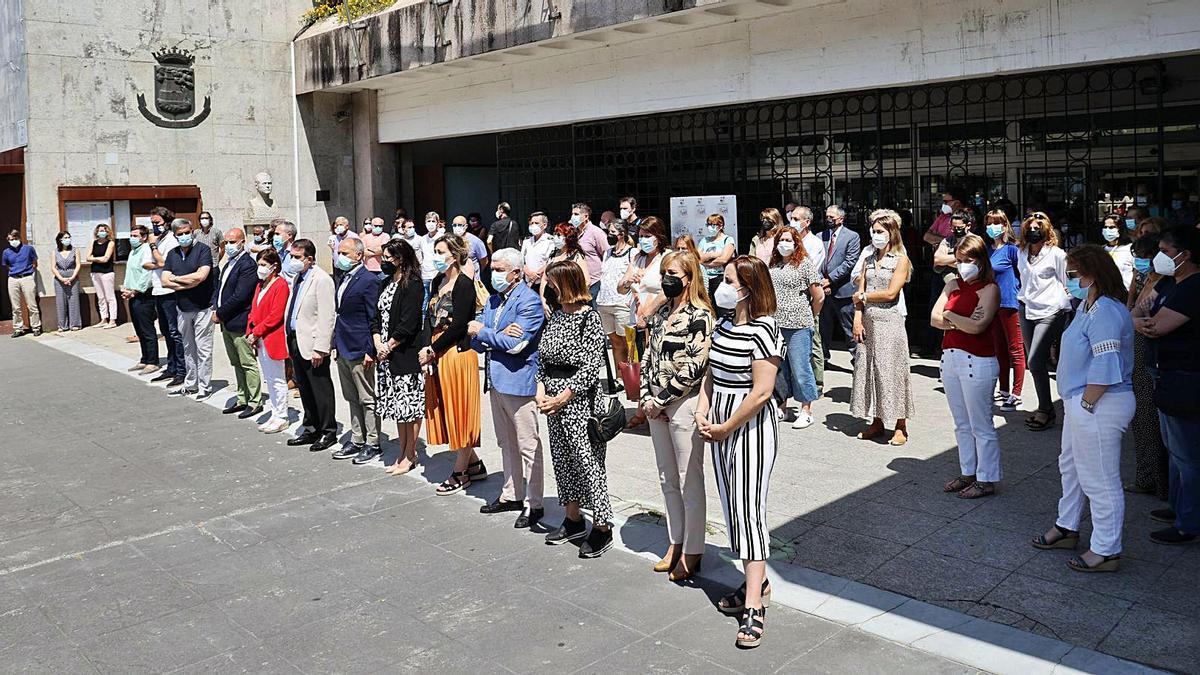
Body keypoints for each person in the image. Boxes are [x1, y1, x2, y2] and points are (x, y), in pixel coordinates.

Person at [696, 255, 782, 649]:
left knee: (749, 511)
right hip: (719, 425)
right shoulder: (723, 326)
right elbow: (711, 376)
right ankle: (756, 580)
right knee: (733, 508)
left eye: (728, 280)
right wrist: (702, 410)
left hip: (749, 429)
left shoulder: (765, 331)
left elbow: (762, 392)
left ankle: (753, 605)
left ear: (748, 288)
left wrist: (726, 425)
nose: (721, 285)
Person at [1031, 245, 1135, 572]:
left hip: (1099, 403)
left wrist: (1086, 403)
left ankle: (1106, 549)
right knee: (1072, 468)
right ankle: (1067, 526)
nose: (1068, 279)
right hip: (1084, 402)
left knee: (1099, 478)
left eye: (1073, 274)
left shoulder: (1105, 310)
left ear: (1092, 275)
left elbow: (1106, 362)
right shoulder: (1086, 306)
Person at [641, 251, 714, 580]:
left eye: (672, 273)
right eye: (663, 272)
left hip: (683, 402)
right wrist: (646, 396)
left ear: (688, 278)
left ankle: (693, 549)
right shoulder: (662, 313)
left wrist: (663, 399)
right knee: (666, 478)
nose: (666, 278)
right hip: (655, 401)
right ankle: (675, 540)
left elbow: (697, 366)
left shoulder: (701, 315)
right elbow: (648, 356)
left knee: (688, 479)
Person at [469, 248, 547, 529]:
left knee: (528, 445)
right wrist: (491, 334)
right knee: (506, 442)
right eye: (494, 268)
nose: (495, 274)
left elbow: (517, 345)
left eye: (501, 270)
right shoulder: (492, 300)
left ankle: (534, 502)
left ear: (516, 273)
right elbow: (475, 340)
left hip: (519, 382)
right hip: (496, 381)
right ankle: (511, 494)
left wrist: (484, 332)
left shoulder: (529, 301)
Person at [537, 261, 611, 557]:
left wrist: (564, 396)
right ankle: (573, 517)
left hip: (579, 401)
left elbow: (593, 365)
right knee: (563, 459)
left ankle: (603, 527)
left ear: (566, 285)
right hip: (552, 400)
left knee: (588, 461)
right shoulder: (555, 316)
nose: (548, 289)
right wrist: (542, 391)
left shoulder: (588, 318)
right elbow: (542, 359)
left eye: (552, 284)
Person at [1134, 227, 1200, 545]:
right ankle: (1177, 508)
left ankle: (1190, 522)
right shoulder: (1171, 284)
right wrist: (1140, 321)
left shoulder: (1193, 287)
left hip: (1186, 377)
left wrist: (1142, 324)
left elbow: (1155, 326)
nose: (1159, 255)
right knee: (1175, 451)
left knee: (1187, 456)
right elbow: (1139, 312)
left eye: (1164, 248)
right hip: (1167, 374)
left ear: (1185, 255)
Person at [932, 234, 1002, 499]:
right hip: (950, 357)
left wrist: (949, 316)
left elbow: (978, 326)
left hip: (978, 360)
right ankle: (968, 472)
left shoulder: (989, 289)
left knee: (980, 423)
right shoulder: (952, 285)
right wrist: (956, 319)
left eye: (967, 260)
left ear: (980, 260)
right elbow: (934, 318)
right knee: (961, 423)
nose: (962, 266)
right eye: (959, 260)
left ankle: (986, 478)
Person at [420, 234, 485, 495]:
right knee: (446, 408)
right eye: (435, 250)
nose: (436, 256)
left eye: (441, 251)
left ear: (455, 256)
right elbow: (429, 316)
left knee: (461, 410)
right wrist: (427, 347)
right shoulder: (438, 280)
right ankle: (473, 464)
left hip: (456, 352)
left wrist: (432, 349)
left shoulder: (464, 284)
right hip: (437, 350)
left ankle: (461, 472)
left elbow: (458, 325)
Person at [850, 209, 914, 446]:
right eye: (873, 231)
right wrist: (857, 319)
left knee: (892, 371)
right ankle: (876, 421)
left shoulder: (901, 260)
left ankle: (900, 425)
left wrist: (864, 297)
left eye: (880, 231)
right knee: (870, 371)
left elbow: (890, 293)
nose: (875, 235)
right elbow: (858, 293)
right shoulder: (867, 260)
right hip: (868, 320)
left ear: (891, 234)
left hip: (890, 321)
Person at [373, 239, 428, 475]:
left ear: (401, 259)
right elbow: (375, 316)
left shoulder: (413, 284)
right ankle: (402, 451)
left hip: (404, 353)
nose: (384, 262)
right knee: (397, 406)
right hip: (385, 354)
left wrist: (390, 344)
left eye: (388, 258)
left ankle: (410, 453)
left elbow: (409, 322)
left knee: (410, 407)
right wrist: (377, 341)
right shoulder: (386, 282)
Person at [282, 239, 339, 452]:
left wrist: (321, 348)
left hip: (313, 343)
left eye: (298, 257)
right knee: (304, 387)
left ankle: (327, 431)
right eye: (292, 256)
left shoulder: (321, 279)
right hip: (296, 339)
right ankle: (311, 427)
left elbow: (327, 316)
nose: (293, 261)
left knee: (320, 388)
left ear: (309, 259)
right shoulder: (299, 277)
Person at [1123, 233, 1169, 500]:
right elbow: (1134, 311)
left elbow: (1142, 316)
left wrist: (1135, 319)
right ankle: (1146, 476)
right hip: (1137, 353)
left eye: (1144, 256)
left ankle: (1161, 484)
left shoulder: (1165, 283)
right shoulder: (1145, 278)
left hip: (1149, 356)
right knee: (1140, 420)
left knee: (1150, 421)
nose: (1140, 262)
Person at [1017, 212, 1071, 431]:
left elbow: (1067, 282)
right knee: (1035, 364)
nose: (1033, 230)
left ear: (1047, 230)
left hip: (1051, 309)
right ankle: (1046, 408)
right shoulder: (1022, 252)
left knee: (1035, 360)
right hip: (1027, 306)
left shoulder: (1057, 254)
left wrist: (1066, 308)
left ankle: (1046, 408)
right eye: (1029, 226)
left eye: (1038, 226)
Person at [331, 238, 383, 464]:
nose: (339, 256)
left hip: (360, 347)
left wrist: (370, 350)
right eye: (338, 252)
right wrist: (335, 343)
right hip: (343, 345)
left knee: (367, 397)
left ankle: (373, 442)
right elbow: (340, 314)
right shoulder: (343, 278)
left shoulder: (369, 280)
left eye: (345, 253)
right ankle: (357, 438)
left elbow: (373, 317)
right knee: (351, 396)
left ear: (359, 255)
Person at [769, 223, 825, 429]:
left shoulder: (804, 264)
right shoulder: (773, 265)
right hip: (776, 323)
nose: (784, 244)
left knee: (801, 367)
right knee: (780, 368)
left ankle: (806, 410)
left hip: (799, 323)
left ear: (796, 243)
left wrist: (812, 315)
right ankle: (781, 406)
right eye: (781, 240)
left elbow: (818, 296)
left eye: (788, 240)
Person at [161, 219, 216, 400]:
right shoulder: (172, 254)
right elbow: (164, 280)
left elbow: (201, 276)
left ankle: (205, 386)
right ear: (175, 236)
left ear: (192, 231)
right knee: (187, 348)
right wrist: (187, 282)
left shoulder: (203, 250)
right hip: (183, 309)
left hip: (203, 308)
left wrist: (176, 280)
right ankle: (191, 384)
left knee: (203, 349)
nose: (184, 236)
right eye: (180, 234)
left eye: (187, 232)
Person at [213, 228, 264, 418]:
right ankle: (242, 397)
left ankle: (254, 401)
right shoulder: (228, 263)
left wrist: (220, 313)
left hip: (239, 321)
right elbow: (221, 289)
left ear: (242, 242)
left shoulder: (247, 265)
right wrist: (215, 307)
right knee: (236, 362)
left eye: (233, 242)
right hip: (227, 322)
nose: (229, 246)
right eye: (226, 243)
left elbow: (240, 296)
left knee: (247, 362)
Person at [245, 249, 291, 434]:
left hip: (272, 337)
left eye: (264, 264)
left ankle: (282, 415)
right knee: (269, 379)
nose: (260, 268)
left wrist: (256, 332)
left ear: (274, 266)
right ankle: (275, 412)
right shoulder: (260, 285)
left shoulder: (280, 285)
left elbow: (276, 315)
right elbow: (254, 310)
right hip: (260, 338)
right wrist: (250, 330)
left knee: (278, 378)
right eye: (259, 264)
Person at [984, 209, 1025, 411]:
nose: (992, 226)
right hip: (993, 304)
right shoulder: (988, 249)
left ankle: (1016, 393)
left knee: (1015, 349)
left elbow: (1022, 273)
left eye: (996, 222)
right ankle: (1004, 390)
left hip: (1010, 302)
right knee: (999, 349)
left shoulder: (1011, 250)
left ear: (1004, 225)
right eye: (989, 222)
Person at [789, 206, 826, 392]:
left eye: (797, 219)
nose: (793, 221)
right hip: (789, 299)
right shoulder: (789, 240)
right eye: (792, 218)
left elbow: (809, 270)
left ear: (807, 222)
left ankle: (817, 383)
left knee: (814, 341)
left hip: (808, 297)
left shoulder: (815, 243)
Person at [147, 207, 185, 386]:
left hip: (170, 291)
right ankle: (171, 366)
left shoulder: (170, 240)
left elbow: (162, 262)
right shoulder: (159, 239)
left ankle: (181, 369)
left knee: (174, 331)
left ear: (167, 223)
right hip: (157, 289)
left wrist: (153, 245)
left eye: (158, 223)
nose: (155, 227)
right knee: (165, 331)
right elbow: (150, 263)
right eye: (152, 223)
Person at [820, 204, 862, 362]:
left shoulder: (852, 237)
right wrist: (821, 282)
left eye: (832, 217)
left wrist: (829, 280)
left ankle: (857, 359)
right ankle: (823, 358)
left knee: (849, 328)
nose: (828, 219)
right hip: (823, 290)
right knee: (823, 328)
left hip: (843, 290)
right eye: (827, 217)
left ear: (841, 219)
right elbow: (815, 260)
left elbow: (849, 262)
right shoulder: (820, 236)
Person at [596, 219, 635, 378]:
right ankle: (620, 377)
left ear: (622, 234)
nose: (609, 235)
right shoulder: (607, 253)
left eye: (612, 232)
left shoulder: (632, 252)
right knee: (615, 342)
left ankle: (631, 377)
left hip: (622, 303)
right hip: (604, 302)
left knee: (628, 342)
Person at [119, 225, 160, 374]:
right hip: (132, 294)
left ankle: (153, 361)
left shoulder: (146, 251)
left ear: (143, 237)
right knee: (139, 329)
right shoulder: (132, 252)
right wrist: (126, 288)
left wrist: (135, 291)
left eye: (135, 235)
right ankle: (144, 358)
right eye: (131, 235)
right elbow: (129, 272)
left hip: (143, 295)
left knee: (147, 329)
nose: (132, 238)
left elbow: (147, 275)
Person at [3, 230, 41, 337]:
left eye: (15, 239)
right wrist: (15, 271)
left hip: (27, 277)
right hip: (13, 279)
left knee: (32, 304)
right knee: (15, 306)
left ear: (19, 238)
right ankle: (18, 328)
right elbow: (7, 265)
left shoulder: (28, 249)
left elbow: (35, 262)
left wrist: (29, 272)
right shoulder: (6, 252)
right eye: (11, 239)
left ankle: (36, 327)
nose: (13, 241)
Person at [571, 203, 610, 297]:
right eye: (572, 214)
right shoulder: (574, 233)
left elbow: (607, 254)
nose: (573, 217)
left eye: (576, 214)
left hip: (594, 282)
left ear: (586, 216)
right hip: (578, 282)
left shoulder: (596, 232)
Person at [87, 223, 117, 329]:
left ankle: (112, 320)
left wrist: (95, 258)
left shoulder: (111, 243)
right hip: (95, 272)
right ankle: (104, 318)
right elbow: (88, 257)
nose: (101, 232)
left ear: (107, 232)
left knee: (110, 297)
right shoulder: (93, 242)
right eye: (99, 230)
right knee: (101, 297)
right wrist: (99, 258)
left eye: (104, 230)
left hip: (107, 272)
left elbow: (106, 258)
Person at [698, 213, 736, 299]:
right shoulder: (704, 240)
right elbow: (698, 258)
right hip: (704, 278)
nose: (710, 227)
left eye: (713, 224)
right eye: (708, 224)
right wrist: (714, 254)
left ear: (721, 225)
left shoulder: (728, 239)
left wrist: (705, 262)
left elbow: (723, 260)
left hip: (720, 278)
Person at [50, 230, 81, 332]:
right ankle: (62, 325)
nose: (68, 240)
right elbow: (53, 267)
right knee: (60, 302)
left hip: (73, 278)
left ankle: (75, 324)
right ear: (60, 240)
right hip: (60, 280)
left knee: (73, 301)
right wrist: (61, 278)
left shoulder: (75, 250)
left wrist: (72, 277)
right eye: (65, 238)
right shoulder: (55, 252)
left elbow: (78, 265)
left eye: (69, 237)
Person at [418, 213, 446, 311]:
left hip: (438, 274)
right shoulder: (422, 239)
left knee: (438, 301)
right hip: (425, 275)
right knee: (424, 302)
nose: (431, 224)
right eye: (428, 221)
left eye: (433, 221)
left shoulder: (442, 237)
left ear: (438, 223)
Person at [1100, 214, 1135, 290]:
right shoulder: (1101, 250)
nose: (1108, 230)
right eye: (1105, 227)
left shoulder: (1130, 249)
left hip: (1125, 294)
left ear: (1120, 229)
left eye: (1112, 227)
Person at [520, 211, 555, 286]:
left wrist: (536, 275)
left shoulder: (550, 241)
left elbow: (551, 261)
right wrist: (529, 274)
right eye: (531, 223)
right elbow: (522, 261)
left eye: (536, 223)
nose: (533, 225)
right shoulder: (527, 241)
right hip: (528, 283)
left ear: (544, 225)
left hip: (544, 282)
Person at [451, 214, 489, 279]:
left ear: (466, 226)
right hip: (455, 279)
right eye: (454, 225)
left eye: (460, 225)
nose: (457, 227)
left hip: (472, 280)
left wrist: (476, 272)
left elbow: (484, 261)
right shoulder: (451, 240)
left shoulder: (476, 241)